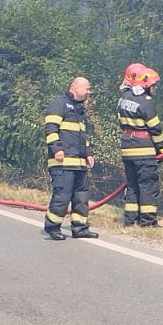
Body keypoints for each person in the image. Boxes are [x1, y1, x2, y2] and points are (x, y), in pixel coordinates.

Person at [42, 76, 98, 241]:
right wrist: (56, 149)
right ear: (76, 87)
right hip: (62, 161)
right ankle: (53, 227)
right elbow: (50, 128)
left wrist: (88, 153)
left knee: (81, 196)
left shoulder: (79, 109)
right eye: (87, 88)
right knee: (62, 196)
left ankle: (80, 228)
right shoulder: (59, 103)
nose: (89, 92)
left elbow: (81, 136)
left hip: (78, 163)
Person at [118, 62, 163, 227]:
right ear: (146, 85)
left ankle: (130, 220)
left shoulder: (123, 98)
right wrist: (162, 149)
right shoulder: (146, 102)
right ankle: (148, 221)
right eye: (154, 85)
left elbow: (121, 124)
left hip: (127, 148)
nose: (155, 88)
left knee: (132, 185)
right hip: (144, 150)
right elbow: (155, 129)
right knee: (148, 185)